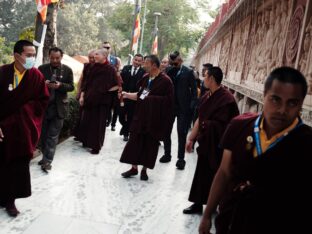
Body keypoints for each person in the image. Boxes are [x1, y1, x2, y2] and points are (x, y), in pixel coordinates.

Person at [199, 67, 312, 234]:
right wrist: (207, 215)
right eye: (275, 99)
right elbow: (224, 172)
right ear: (264, 95)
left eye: (292, 103)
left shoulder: (305, 142)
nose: (282, 110)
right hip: (232, 218)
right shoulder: (239, 126)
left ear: (301, 105)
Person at [0, 40, 49, 216]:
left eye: (34, 55)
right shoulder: (3, 72)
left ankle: (10, 201)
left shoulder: (36, 76)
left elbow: (42, 101)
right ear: (16, 56)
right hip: (1, 129)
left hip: (22, 130)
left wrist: (23, 112)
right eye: (29, 55)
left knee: (17, 166)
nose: (32, 59)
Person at [183, 66, 239, 215]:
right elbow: (200, 118)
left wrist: (206, 125)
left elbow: (226, 125)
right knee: (201, 174)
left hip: (219, 145)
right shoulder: (207, 96)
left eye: (205, 76)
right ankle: (197, 203)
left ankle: (216, 204)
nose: (203, 79)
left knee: (217, 175)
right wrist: (191, 139)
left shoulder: (227, 99)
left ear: (212, 79)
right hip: (207, 142)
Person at [120, 55, 174, 181]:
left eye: (146, 63)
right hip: (141, 116)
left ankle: (144, 170)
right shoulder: (146, 78)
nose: (143, 65)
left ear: (154, 65)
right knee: (134, 142)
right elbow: (141, 96)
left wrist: (151, 100)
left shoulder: (166, 81)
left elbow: (169, 102)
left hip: (154, 120)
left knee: (149, 145)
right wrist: (127, 95)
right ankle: (134, 168)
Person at [159, 51, 197, 170]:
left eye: (176, 63)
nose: (174, 65)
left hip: (183, 108)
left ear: (180, 60)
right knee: (166, 131)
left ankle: (181, 159)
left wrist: (192, 105)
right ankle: (167, 154)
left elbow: (194, 90)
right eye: (172, 63)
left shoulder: (189, 72)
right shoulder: (168, 71)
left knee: (182, 133)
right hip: (170, 106)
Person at [76, 48, 119, 154]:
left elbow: (118, 85)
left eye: (97, 54)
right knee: (87, 121)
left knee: (98, 125)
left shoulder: (110, 69)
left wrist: (104, 90)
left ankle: (96, 146)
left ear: (104, 56)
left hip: (102, 102)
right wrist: (82, 96)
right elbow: (86, 83)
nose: (94, 56)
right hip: (89, 99)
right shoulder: (93, 67)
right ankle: (85, 141)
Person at [38, 47, 74, 172]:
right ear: (49, 56)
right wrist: (45, 84)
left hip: (59, 108)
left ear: (61, 57)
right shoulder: (41, 69)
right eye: (52, 58)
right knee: (43, 136)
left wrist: (60, 85)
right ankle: (44, 157)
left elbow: (71, 87)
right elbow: (36, 85)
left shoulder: (68, 70)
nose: (54, 60)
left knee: (52, 137)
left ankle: (47, 161)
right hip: (44, 108)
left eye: (57, 58)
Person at [119, 53, 145, 141]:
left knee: (130, 116)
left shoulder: (144, 72)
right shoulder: (126, 68)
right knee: (121, 116)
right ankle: (124, 127)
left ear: (142, 62)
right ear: (133, 60)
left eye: (139, 61)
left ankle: (126, 133)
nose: (136, 62)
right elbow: (120, 81)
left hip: (134, 99)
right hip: (124, 97)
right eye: (135, 60)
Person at [103, 41, 122, 131]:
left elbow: (119, 73)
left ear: (110, 49)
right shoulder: (99, 58)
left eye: (108, 47)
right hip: (104, 88)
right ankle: (108, 120)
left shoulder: (116, 60)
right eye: (104, 47)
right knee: (107, 106)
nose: (106, 49)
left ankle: (113, 124)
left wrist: (119, 87)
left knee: (116, 107)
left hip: (115, 87)